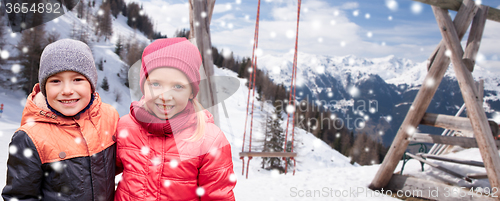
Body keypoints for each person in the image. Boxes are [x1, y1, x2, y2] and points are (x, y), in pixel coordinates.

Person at [115, 38, 236, 201]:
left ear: (192, 92)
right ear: (143, 86)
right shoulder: (125, 127)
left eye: (178, 86)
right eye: (156, 84)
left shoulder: (209, 141)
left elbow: (218, 196)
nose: (165, 96)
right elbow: (99, 173)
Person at [2, 39, 119, 201]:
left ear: (91, 84)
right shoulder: (30, 137)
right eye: (55, 81)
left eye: (77, 79)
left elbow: (124, 163)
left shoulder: (109, 116)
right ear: (44, 88)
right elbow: (20, 196)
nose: (67, 90)